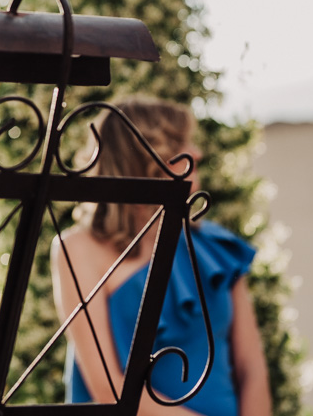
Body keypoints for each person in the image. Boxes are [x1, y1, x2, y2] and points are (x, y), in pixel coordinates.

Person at [51, 96, 271, 416]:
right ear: (140, 160)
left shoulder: (216, 247)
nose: (197, 153)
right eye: (179, 144)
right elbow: (107, 386)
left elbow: (251, 367)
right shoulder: (78, 248)